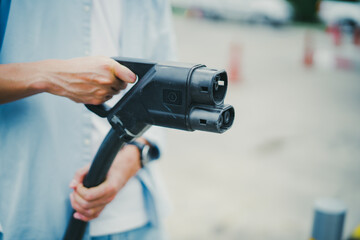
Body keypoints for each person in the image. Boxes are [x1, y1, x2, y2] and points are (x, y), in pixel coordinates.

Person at [0, 0, 176, 239]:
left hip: (136, 219)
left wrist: (133, 157)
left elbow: (166, 89)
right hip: (34, 216)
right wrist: (48, 75)